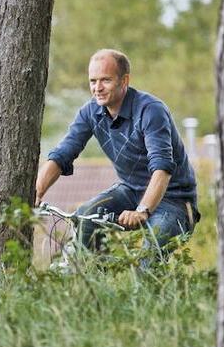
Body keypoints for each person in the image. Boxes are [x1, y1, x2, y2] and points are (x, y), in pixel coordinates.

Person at [35, 49, 200, 254]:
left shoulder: (150, 110)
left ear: (124, 80)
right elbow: (62, 154)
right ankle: (95, 272)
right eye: (93, 81)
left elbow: (162, 168)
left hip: (174, 200)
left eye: (105, 80)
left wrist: (142, 210)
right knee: (85, 218)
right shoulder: (90, 112)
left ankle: (145, 273)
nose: (97, 88)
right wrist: (36, 193)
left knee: (149, 254)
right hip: (130, 190)